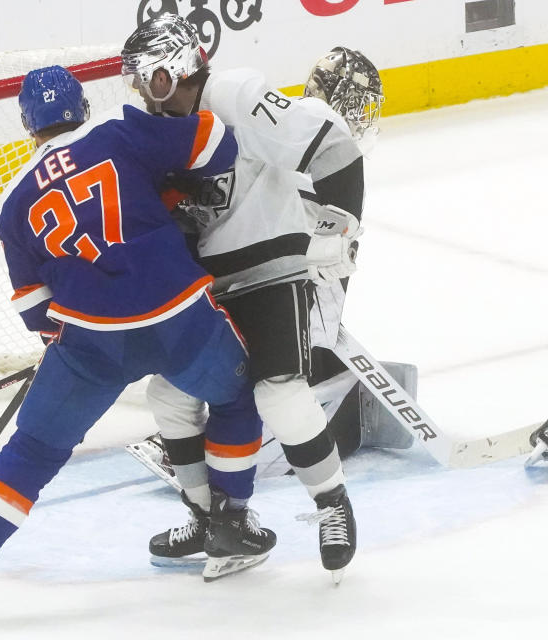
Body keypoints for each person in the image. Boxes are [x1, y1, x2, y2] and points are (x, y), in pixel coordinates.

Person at [0, 65, 274, 612]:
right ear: (82, 108)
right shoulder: (116, 127)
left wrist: (70, 352)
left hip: (91, 341)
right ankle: (230, 518)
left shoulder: (11, 203)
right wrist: (170, 183)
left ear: (27, 126)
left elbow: (34, 309)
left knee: (36, 446)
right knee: (238, 394)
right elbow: (216, 144)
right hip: (175, 312)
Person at [120, 16, 390, 582]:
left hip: (271, 273)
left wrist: (339, 227)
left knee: (280, 393)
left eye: (155, 82)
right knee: (168, 395)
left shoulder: (235, 94)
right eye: (141, 85)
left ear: (181, 70)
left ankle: (332, 505)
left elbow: (333, 146)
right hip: (209, 289)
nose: (147, 96)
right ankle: (208, 520)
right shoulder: (158, 133)